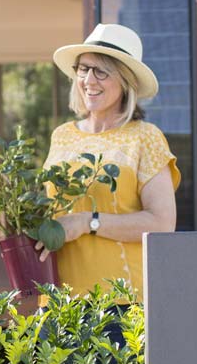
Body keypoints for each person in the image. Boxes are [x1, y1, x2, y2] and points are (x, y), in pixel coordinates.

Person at [39, 24, 180, 302]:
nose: (89, 81)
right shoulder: (62, 136)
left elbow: (162, 224)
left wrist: (87, 222)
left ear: (125, 80)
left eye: (101, 71)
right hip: (58, 301)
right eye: (83, 69)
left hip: (121, 304)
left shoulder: (144, 137)